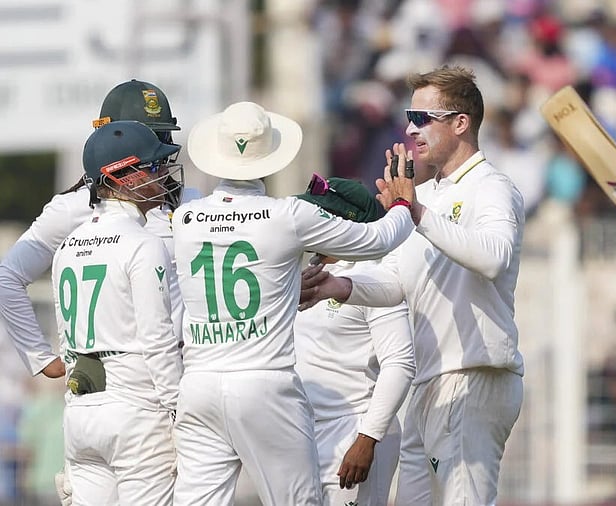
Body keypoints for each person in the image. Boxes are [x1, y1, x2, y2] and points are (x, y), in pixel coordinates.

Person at [170, 101, 417, 506]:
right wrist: (403, 205)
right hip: (264, 383)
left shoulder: (185, 218)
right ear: (267, 159)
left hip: (197, 385)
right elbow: (379, 240)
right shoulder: (287, 214)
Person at [300, 65, 526, 504]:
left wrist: (415, 211)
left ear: (460, 123)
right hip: (429, 386)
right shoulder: (433, 194)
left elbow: (494, 258)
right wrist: (337, 286)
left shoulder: (491, 186)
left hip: (472, 376)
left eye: (422, 118)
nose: (410, 128)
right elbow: (395, 283)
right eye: (409, 117)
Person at [0, 79, 182, 380]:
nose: (160, 155)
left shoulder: (188, 202)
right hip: (121, 384)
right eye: (150, 137)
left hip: (179, 375)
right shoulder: (73, 208)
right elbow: (8, 276)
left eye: (162, 136)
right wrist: (39, 357)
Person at [53, 120, 184, 505]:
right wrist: (180, 413)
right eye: (152, 166)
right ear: (121, 176)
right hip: (137, 413)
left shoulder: (68, 245)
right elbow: (158, 341)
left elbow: (65, 342)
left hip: (81, 412)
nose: (161, 173)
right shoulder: (144, 244)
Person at [293, 174, 415, 505]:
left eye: (319, 215)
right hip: (310, 436)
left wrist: (367, 439)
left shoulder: (373, 275)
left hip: (354, 439)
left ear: (345, 223)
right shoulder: (307, 270)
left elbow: (400, 364)